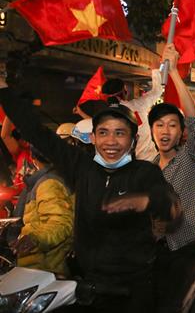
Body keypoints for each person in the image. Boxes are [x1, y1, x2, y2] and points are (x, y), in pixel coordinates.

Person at [0, 75, 181, 313]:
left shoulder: (144, 173)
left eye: (120, 133)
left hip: (133, 290)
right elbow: (36, 132)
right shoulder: (81, 166)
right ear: (93, 137)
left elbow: (172, 209)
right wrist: (4, 90)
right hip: (88, 287)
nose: (111, 141)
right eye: (104, 132)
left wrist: (147, 200)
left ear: (133, 139)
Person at [149, 44, 195, 313]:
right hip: (156, 251)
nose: (165, 130)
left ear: (181, 132)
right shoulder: (147, 169)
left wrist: (173, 73)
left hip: (187, 249)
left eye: (172, 125)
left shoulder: (190, 157)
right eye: (159, 125)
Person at [9, 146, 73, 276]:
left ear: (33, 159)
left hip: (44, 268)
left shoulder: (49, 183)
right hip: (39, 265)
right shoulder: (58, 177)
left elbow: (60, 223)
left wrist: (35, 239)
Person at [101, 63, 164, 162]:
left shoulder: (104, 118)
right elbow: (157, 90)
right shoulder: (138, 105)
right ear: (125, 91)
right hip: (149, 160)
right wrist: (155, 71)